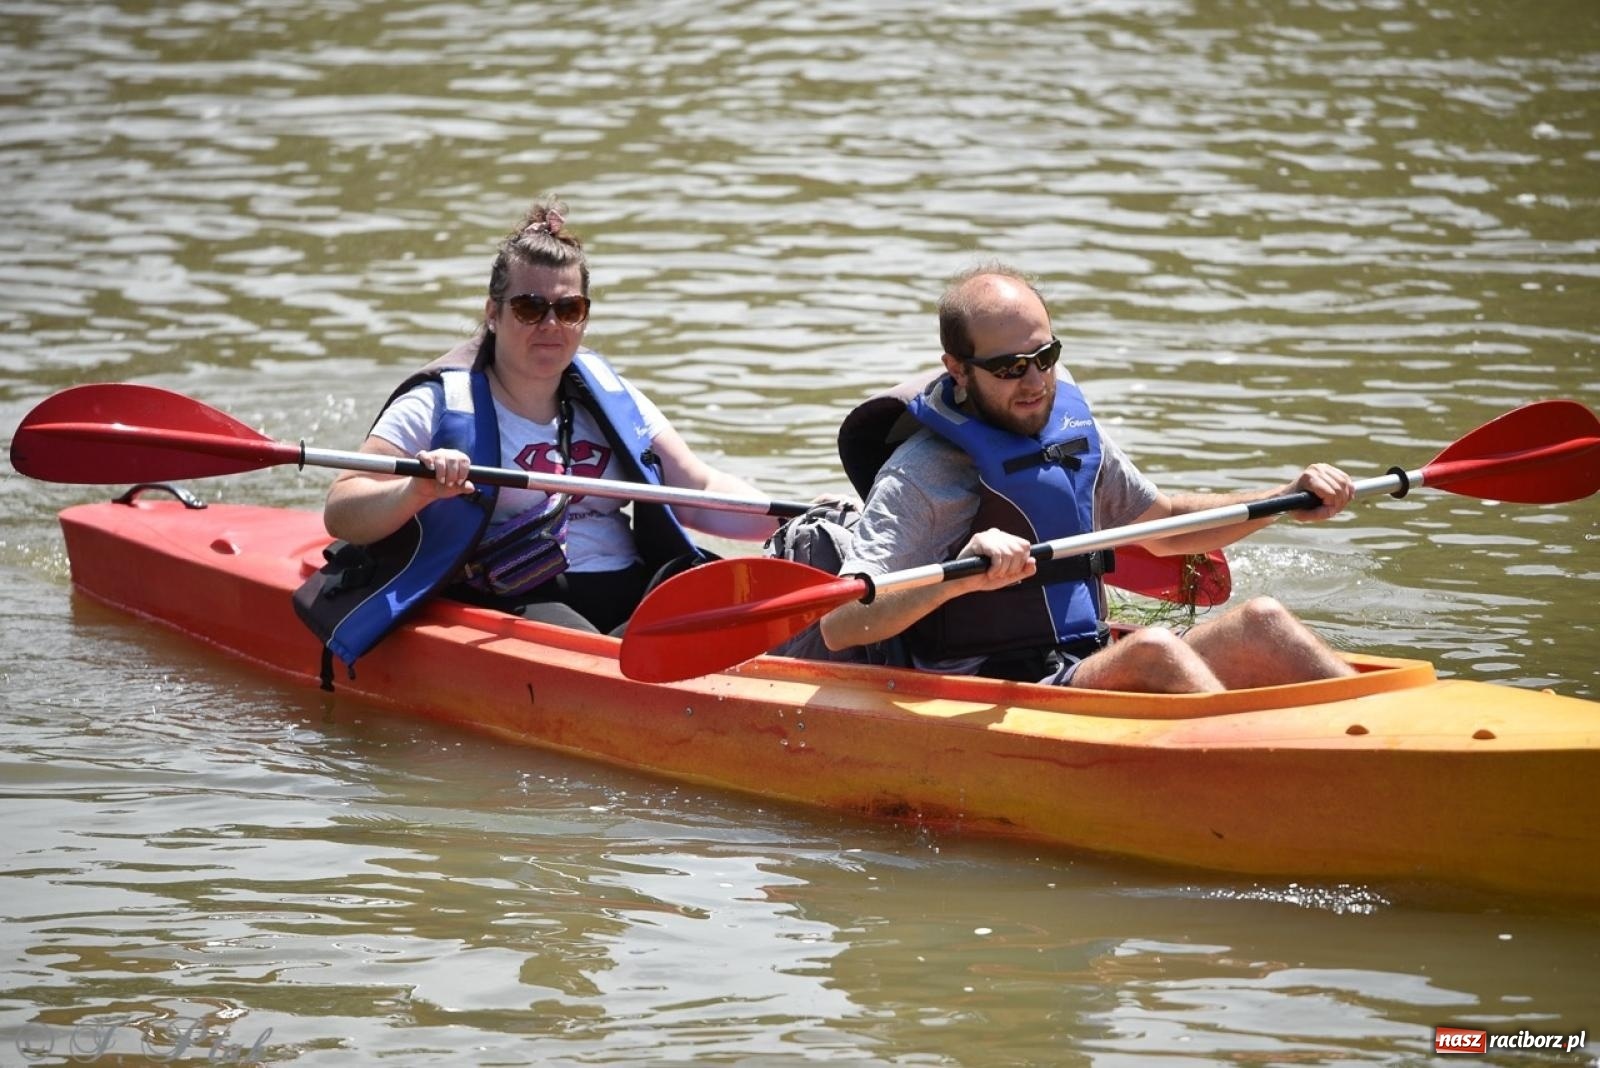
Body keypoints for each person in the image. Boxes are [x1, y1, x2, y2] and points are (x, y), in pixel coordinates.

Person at [817, 263, 1358, 694]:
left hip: (1083, 660)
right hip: (986, 684)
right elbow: (840, 624)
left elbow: (1165, 527)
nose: (1033, 382)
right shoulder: (923, 474)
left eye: (1044, 357)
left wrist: (1282, 500)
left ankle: (1384, 745)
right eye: (1009, 367)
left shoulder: (1069, 437)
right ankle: (1267, 776)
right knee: (1154, 650)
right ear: (958, 369)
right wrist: (961, 577)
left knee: (1263, 620)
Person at [312, 197, 779, 662]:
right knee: (607, 652)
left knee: (746, 609)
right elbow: (342, 509)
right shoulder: (437, 404)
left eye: (568, 308)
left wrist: (788, 517)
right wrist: (415, 491)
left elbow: (698, 489)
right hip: (516, 595)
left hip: (632, 587)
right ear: (493, 313)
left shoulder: (614, 398)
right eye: (530, 307)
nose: (551, 324)